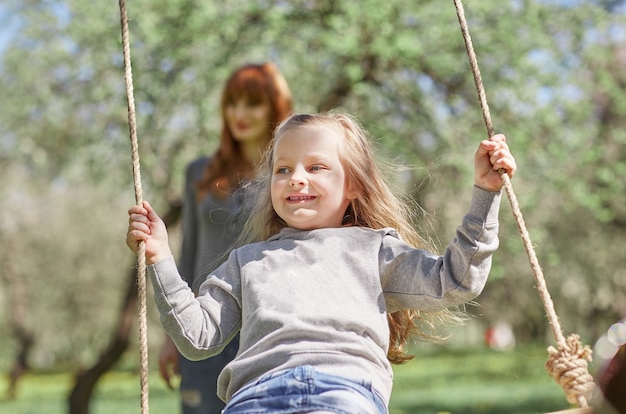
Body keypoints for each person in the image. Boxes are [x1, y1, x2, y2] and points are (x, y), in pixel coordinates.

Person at [127, 112, 517, 414]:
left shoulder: (373, 250)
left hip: (344, 392)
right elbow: (198, 339)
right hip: (255, 398)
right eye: (283, 169)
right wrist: (160, 257)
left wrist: (486, 193)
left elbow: (455, 280)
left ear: (353, 185)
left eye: (315, 167)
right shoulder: (247, 262)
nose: (296, 178)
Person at [157, 63, 293, 414]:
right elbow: (187, 254)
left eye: (252, 103)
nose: (239, 114)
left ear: (275, 108)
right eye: (232, 103)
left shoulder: (290, 177)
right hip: (203, 323)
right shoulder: (199, 173)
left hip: (263, 328)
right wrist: (172, 336)